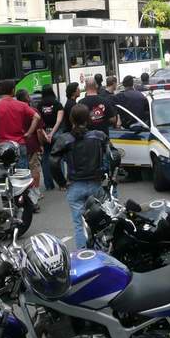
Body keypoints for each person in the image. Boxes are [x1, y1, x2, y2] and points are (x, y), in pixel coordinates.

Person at [50, 104, 111, 247]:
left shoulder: (65, 139)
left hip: (75, 186)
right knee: (102, 221)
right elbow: (113, 155)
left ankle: (83, 255)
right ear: (88, 119)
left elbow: (53, 162)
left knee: (79, 224)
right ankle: (103, 253)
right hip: (96, 185)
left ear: (71, 119)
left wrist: (62, 183)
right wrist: (110, 176)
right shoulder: (99, 136)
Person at [0, 79, 41, 169]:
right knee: (21, 175)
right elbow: (37, 117)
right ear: (13, 90)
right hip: (19, 143)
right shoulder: (22, 105)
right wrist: (29, 133)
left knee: (4, 174)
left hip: (3, 145)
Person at [36, 85, 64, 191]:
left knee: (46, 158)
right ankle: (61, 184)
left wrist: (45, 133)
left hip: (44, 134)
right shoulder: (57, 104)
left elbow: (38, 121)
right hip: (56, 132)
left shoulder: (39, 105)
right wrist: (52, 133)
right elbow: (59, 120)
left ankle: (48, 184)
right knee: (58, 158)